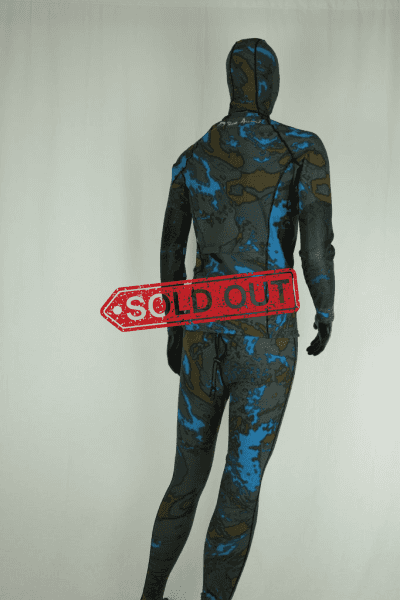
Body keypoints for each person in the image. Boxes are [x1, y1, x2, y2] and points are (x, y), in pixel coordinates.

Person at [140, 37, 335, 600]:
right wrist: (325, 306)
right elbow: (315, 247)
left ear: (231, 84)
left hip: (201, 335)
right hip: (265, 340)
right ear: (270, 85)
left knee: (185, 476)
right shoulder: (302, 148)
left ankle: (150, 593)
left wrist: (174, 328)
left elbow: (171, 252)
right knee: (241, 484)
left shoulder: (192, 156)